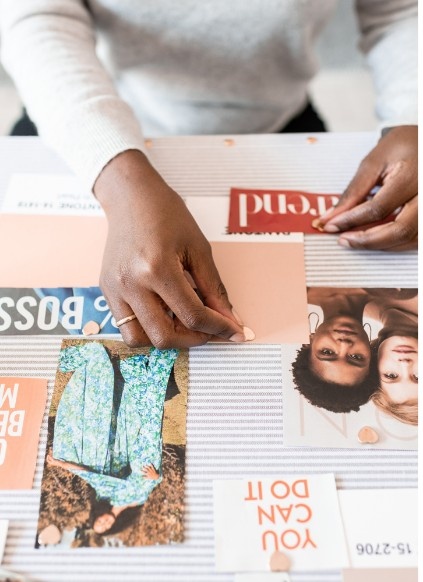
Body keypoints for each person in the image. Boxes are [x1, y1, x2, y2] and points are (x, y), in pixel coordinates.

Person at [0, 1, 417, 349]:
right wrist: (119, 180)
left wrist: (413, 117)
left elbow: (402, 9)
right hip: (84, 114)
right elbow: (37, 15)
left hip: (280, 122)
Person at [46, 341, 178, 535]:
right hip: (147, 459)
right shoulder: (137, 503)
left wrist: (61, 464)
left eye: (99, 522)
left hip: (134, 453)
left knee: (149, 409)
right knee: (152, 412)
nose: (104, 522)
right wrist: (156, 478)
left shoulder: (106, 496)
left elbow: (89, 474)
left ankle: (160, 352)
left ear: (96, 515)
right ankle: (163, 351)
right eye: (106, 527)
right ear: (114, 526)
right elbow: (151, 484)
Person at [291, 288, 379, 412]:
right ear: (371, 353)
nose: (344, 344)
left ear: (310, 342)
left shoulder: (294, 288)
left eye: (327, 352)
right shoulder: (397, 292)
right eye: (356, 357)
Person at [366, 290, 418, 425]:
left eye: (391, 375)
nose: (405, 364)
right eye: (418, 377)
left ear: (374, 366)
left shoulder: (347, 302)